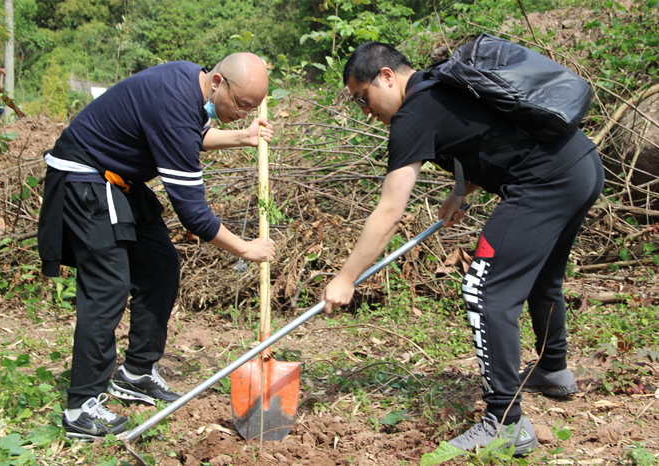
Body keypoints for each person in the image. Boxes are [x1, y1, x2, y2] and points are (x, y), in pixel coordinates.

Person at [322, 42, 604, 455]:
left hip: (548, 182)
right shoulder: (440, 84)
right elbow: (486, 133)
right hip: (581, 164)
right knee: (543, 276)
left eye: (363, 98)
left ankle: (505, 423)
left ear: (385, 76)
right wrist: (461, 189)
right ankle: (552, 369)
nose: (366, 111)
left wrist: (346, 278)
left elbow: (389, 212)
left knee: (484, 291)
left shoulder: (412, 115)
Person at [38, 53, 276, 440]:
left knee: (161, 267)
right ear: (217, 82)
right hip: (85, 179)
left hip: (120, 181)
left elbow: (188, 135)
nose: (242, 113)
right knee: (108, 286)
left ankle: (135, 374)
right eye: (242, 105)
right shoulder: (174, 101)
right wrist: (246, 249)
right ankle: (81, 407)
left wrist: (242, 137)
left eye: (252, 108)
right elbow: (194, 215)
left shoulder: (190, 83)